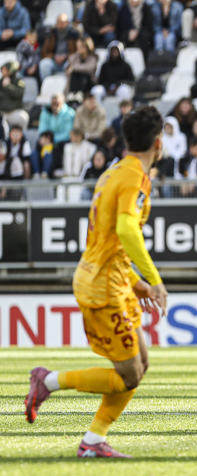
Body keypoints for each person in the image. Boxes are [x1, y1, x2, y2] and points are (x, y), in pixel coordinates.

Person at [24, 106, 168, 458]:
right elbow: (125, 230)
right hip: (103, 288)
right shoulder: (136, 178)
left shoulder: (112, 173)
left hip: (113, 280)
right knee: (130, 375)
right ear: (159, 144)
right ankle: (48, 381)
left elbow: (109, 242)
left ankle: (92, 441)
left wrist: (139, 286)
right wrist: (155, 279)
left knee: (141, 363)